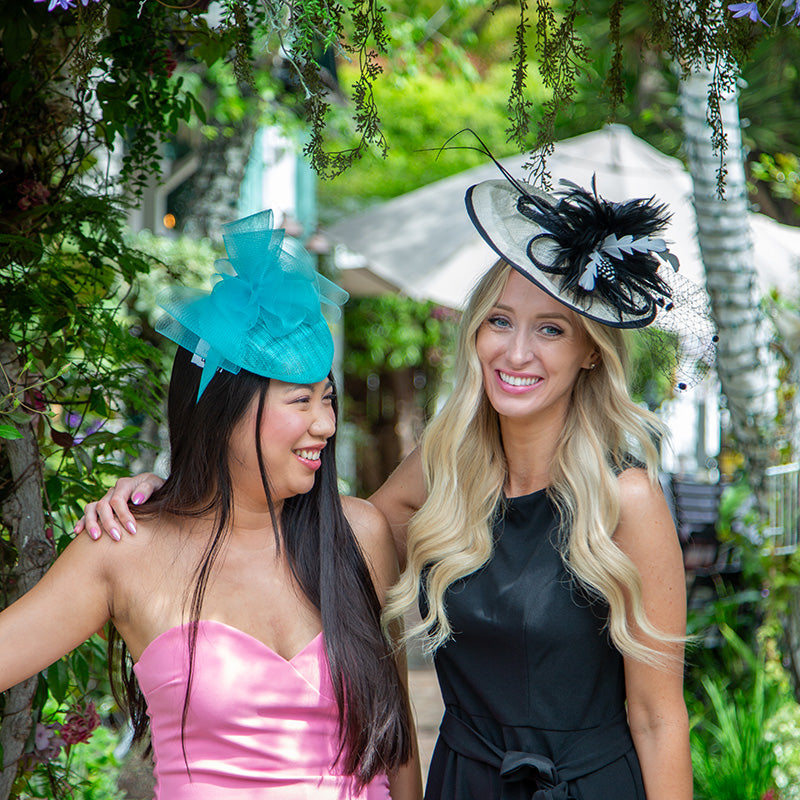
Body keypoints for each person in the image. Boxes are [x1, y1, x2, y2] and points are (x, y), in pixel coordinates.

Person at [79, 177, 714, 799]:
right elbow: (302, 536)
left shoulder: (626, 499)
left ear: (591, 353)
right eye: (499, 321)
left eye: (550, 329)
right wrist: (173, 496)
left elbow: (658, 718)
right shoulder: (442, 471)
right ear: (474, 332)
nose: (516, 352)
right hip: (465, 784)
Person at [0, 210, 421, 800]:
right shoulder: (125, 549)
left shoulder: (359, 532)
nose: (324, 424)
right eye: (299, 400)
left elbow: (398, 748)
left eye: (327, 399)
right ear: (221, 410)